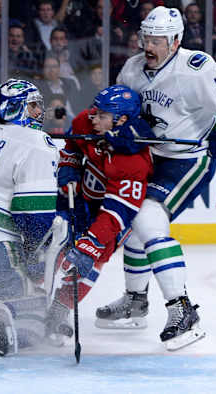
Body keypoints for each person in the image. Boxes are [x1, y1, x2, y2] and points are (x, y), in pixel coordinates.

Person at [96, 6, 216, 351]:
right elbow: (127, 116)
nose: (149, 46)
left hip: (187, 162)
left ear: (175, 41)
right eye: (146, 38)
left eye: (157, 40)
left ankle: (182, 310)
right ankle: (135, 301)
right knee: (133, 217)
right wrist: (124, 132)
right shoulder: (132, 69)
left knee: (147, 218)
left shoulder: (195, 68)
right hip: (149, 159)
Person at [44, 84, 154, 343]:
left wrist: (89, 246)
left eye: (102, 116)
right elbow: (72, 148)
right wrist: (69, 171)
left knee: (93, 258)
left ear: (122, 120)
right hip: (82, 198)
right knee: (50, 241)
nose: (94, 118)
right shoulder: (86, 121)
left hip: (113, 212)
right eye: (95, 112)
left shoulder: (133, 161)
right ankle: (33, 300)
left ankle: (59, 311)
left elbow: (117, 213)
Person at [0, 79, 59, 356]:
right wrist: (36, 256)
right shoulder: (37, 144)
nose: (39, 112)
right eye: (33, 105)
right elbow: (33, 216)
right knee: (40, 307)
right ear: (16, 107)